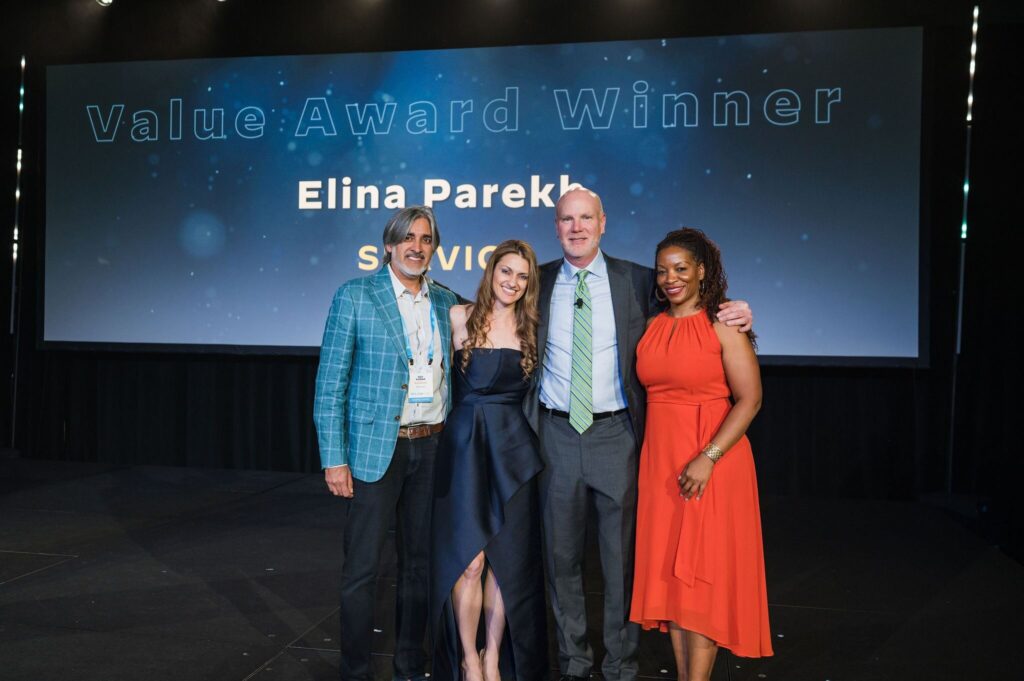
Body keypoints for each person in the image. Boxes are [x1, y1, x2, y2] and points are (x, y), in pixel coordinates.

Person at [523, 188, 753, 681]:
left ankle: (622, 666)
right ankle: (574, 662)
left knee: (622, 561)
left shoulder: (640, 280)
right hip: (556, 435)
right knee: (561, 561)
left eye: (586, 217)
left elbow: (695, 302)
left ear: (603, 222)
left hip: (619, 437)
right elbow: (487, 306)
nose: (577, 227)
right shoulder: (535, 282)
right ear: (556, 225)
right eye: (567, 219)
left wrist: (739, 310)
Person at [313, 206, 460, 681]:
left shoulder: (446, 302)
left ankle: (408, 666)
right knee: (362, 570)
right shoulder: (355, 296)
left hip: (432, 446)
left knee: (419, 567)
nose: (418, 246)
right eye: (408, 238)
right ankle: (354, 671)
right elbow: (329, 384)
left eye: (426, 238)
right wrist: (334, 459)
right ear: (390, 245)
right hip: (377, 450)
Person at [630, 228, 773, 681]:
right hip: (660, 465)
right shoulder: (652, 326)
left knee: (700, 582)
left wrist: (707, 456)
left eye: (681, 268)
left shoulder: (722, 324)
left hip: (710, 461)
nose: (670, 278)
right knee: (671, 584)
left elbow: (750, 400)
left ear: (702, 272)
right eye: (663, 270)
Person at [431, 240, 548, 681]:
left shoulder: (532, 327)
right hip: (463, 452)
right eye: (506, 272)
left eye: (522, 276)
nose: (512, 282)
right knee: (470, 561)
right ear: (490, 272)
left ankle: (494, 655)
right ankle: (468, 657)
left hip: (513, 453)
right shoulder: (457, 317)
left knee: (506, 563)